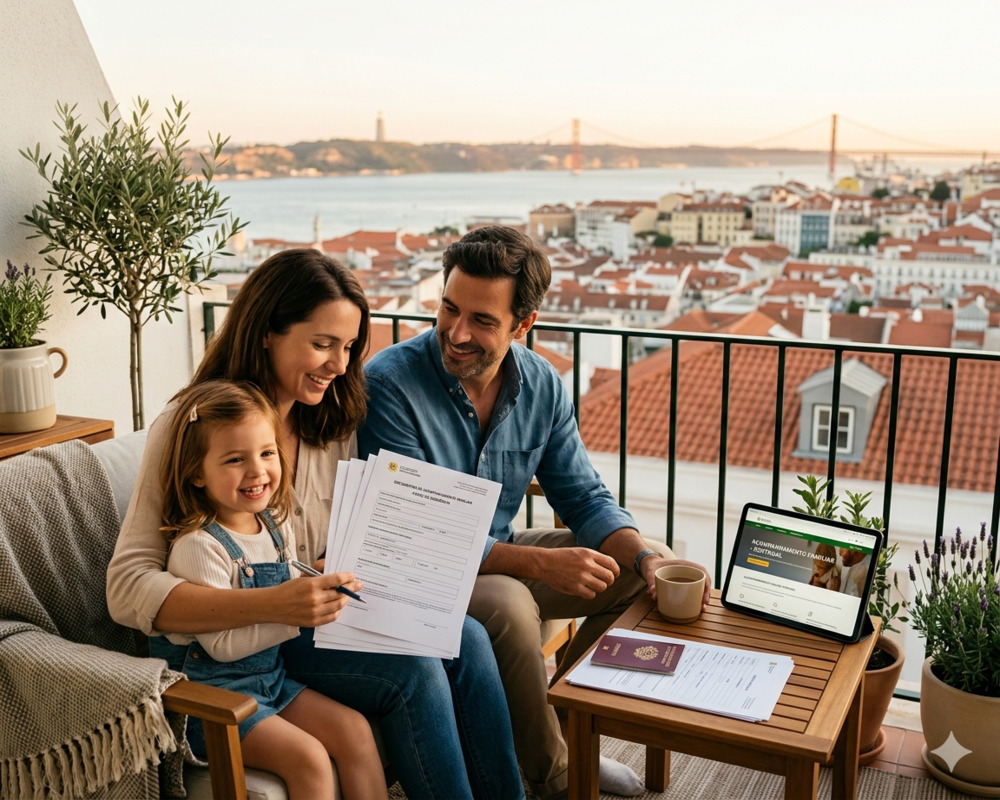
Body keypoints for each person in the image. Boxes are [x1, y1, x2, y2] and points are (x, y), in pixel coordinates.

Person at [107, 248, 524, 800]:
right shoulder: (194, 425)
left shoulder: (330, 422)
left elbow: (329, 545)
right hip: (250, 637)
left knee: (464, 636)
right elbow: (127, 587)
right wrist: (276, 602)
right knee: (417, 671)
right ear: (266, 332)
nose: (340, 364)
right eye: (323, 344)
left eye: (349, 347)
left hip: (315, 613)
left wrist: (348, 564)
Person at [357, 225, 712, 800]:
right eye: (449, 309)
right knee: (510, 602)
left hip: (496, 552)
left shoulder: (543, 384)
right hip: (417, 572)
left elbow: (583, 495)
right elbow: (418, 534)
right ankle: (555, 779)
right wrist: (540, 565)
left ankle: (561, 732)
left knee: (649, 572)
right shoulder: (390, 385)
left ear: (524, 326)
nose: (457, 332)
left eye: (483, 320)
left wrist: (644, 556)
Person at [157, 380, 386, 800]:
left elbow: (288, 586)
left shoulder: (275, 524)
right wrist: (296, 614)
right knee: (309, 757)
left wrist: (314, 584)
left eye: (266, 453)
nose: (257, 470)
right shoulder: (198, 546)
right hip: (211, 704)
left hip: (269, 681)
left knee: (354, 730)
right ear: (196, 473)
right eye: (234, 459)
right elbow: (223, 646)